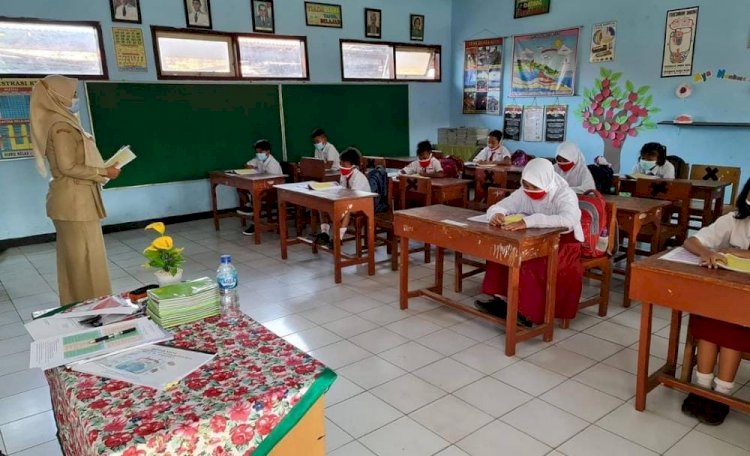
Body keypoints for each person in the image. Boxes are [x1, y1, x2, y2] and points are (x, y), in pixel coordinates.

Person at [30, 75, 121, 305]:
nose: (75, 98)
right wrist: (103, 173)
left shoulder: (59, 121)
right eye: (71, 93)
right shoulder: (61, 127)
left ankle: (77, 305)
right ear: (56, 95)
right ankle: (95, 307)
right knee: (88, 260)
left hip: (73, 200)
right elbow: (67, 166)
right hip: (75, 203)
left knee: (76, 260)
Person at [475, 158, 584, 326]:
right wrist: (496, 214)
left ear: (546, 181)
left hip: (563, 243)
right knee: (502, 250)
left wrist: (529, 221)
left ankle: (527, 312)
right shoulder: (524, 190)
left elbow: (569, 220)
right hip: (534, 236)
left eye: (534, 187)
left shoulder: (564, 194)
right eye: (526, 185)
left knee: (531, 261)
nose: (529, 190)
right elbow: (500, 206)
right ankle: (501, 300)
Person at [680, 177, 750, 425]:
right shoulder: (735, 219)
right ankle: (702, 388)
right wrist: (707, 252)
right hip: (727, 295)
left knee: (733, 330)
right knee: (708, 319)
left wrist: (742, 253)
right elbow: (692, 240)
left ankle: (721, 395)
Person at [316, 148, 371, 247]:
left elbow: (352, 196)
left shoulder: (358, 177)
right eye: (340, 164)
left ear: (353, 165)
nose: (341, 167)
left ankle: (338, 238)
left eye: (344, 164)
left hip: (363, 204)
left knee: (346, 209)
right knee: (323, 205)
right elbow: (343, 189)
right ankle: (325, 233)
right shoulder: (344, 174)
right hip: (348, 200)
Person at [238, 139, 282, 236]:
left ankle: (255, 224)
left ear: (268, 152)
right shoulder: (259, 159)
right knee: (240, 187)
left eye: (260, 152)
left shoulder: (273, 163)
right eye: (257, 152)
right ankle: (249, 205)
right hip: (262, 186)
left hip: (273, 190)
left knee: (257, 195)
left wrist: (257, 173)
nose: (258, 154)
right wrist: (252, 168)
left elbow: (271, 182)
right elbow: (247, 164)